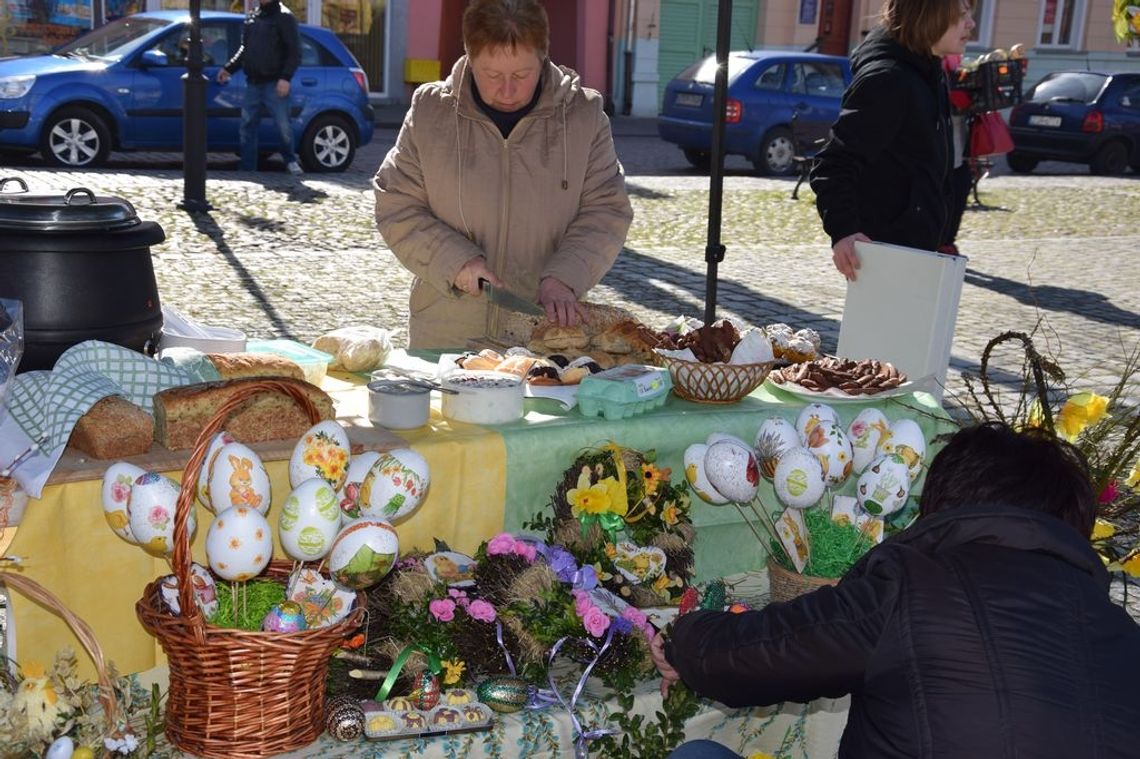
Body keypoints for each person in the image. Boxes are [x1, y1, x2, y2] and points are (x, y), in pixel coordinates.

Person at [653, 423, 1140, 758]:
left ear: (945, 503)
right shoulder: (1123, 634)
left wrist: (684, 639)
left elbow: (753, 653)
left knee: (699, 755)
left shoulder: (919, 586)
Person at [372, 0, 633, 349]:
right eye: (492, 75)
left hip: (542, 337)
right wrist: (454, 261)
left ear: (543, 57)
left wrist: (564, 278)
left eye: (522, 75)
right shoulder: (430, 112)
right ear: (469, 58)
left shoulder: (584, 117)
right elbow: (396, 205)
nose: (507, 91)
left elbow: (606, 211)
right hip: (445, 334)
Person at [809, 0, 975, 281]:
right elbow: (834, 163)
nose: (971, 24)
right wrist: (844, 231)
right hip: (886, 254)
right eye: (960, 15)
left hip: (918, 249)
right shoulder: (889, 79)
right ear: (927, 16)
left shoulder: (928, 72)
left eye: (970, 13)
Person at [217, 0, 303, 176]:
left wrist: (285, 78)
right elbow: (244, 48)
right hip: (253, 82)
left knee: (283, 126)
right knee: (247, 126)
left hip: (275, 83)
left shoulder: (284, 17)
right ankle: (248, 167)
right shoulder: (253, 16)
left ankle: (290, 160)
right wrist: (229, 68)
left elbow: (294, 51)